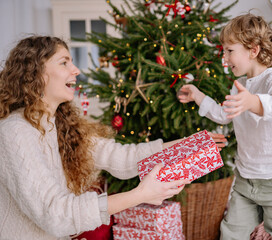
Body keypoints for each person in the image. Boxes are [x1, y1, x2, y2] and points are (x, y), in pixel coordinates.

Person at [0, 35, 225, 240]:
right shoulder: (16, 131)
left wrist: (187, 145)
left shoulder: (61, 124)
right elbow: (56, 215)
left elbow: (121, 158)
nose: (76, 70)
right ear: (36, 72)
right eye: (64, 62)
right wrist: (141, 194)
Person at [178, 13, 272, 240]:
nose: (224, 58)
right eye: (224, 51)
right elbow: (223, 114)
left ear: (253, 50)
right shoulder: (240, 86)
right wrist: (198, 96)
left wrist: (253, 102)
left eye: (230, 51)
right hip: (246, 178)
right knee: (232, 231)